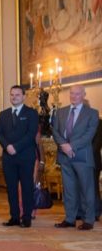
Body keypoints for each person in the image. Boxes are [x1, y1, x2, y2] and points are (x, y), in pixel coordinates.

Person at [51, 85, 99, 230]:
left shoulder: (92, 113)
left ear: (83, 95)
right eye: (72, 93)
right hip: (65, 157)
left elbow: (89, 135)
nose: (74, 96)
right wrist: (64, 145)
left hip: (82, 156)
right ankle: (70, 219)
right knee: (69, 190)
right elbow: (55, 131)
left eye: (77, 94)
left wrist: (71, 146)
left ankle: (88, 220)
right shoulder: (61, 112)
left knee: (87, 190)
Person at [0, 85, 39, 228]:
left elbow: (31, 134)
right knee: (11, 189)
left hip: (26, 156)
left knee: (27, 187)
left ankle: (26, 218)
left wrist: (16, 147)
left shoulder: (31, 113)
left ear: (24, 96)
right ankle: (14, 217)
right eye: (12, 95)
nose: (14, 97)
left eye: (17, 95)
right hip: (8, 157)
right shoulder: (3, 114)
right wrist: (7, 146)